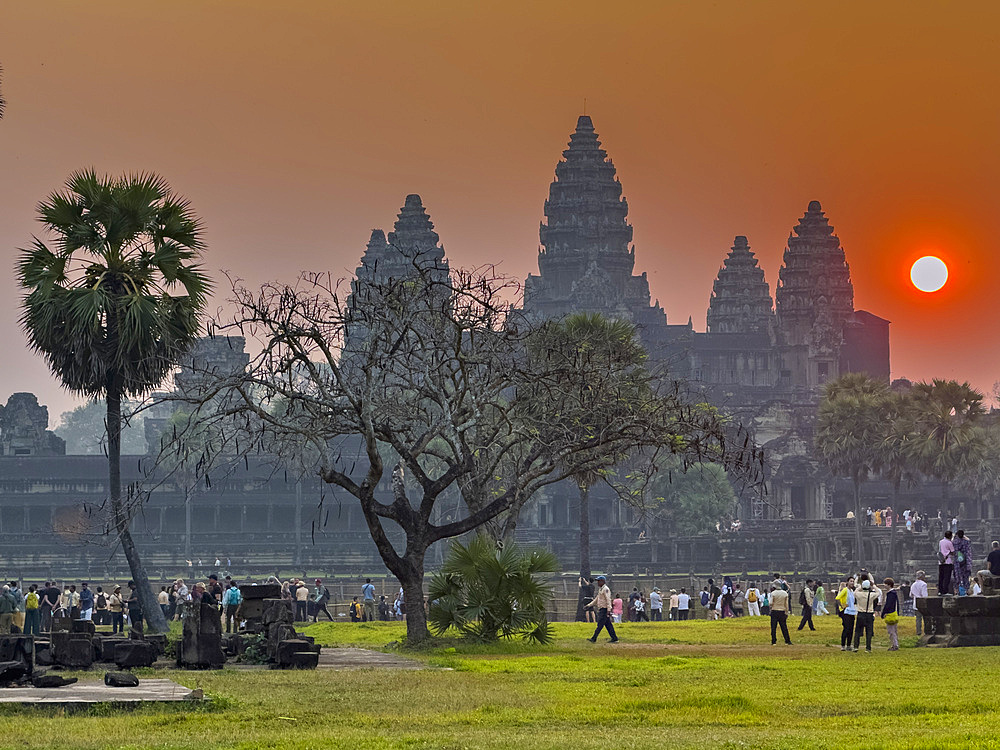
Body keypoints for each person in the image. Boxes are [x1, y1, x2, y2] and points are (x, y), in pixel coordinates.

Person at [586, 575, 618, 643]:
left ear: (602, 581)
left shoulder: (605, 589)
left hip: (604, 610)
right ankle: (614, 638)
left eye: (598, 581)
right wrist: (589, 605)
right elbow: (596, 599)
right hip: (602, 609)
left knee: (600, 625)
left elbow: (608, 600)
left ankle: (594, 638)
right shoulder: (601, 589)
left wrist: (609, 610)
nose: (597, 583)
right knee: (608, 625)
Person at [853, 579, 881, 653]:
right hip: (869, 613)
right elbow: (878, 592)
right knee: (869, 632)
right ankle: (868, 648)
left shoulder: (858, 594)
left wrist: (860, 586)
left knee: (857, 631)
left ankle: (856, 646)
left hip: (860, 613)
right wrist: (873, 585)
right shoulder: (871, 595)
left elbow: (855, 591)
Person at [837, 578, 857, 651]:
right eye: (851, 581)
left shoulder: (852, 591)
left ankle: (848, 645)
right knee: (846, 628)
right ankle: (843, 645)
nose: (852, 583)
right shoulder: (845, 590)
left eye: (853, 581)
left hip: (852, 611)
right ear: (847, 582)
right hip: (845, 611)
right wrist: (842, 606)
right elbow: (838, 598)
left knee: (851, 629)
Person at [881, 578, 901, 651]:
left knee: (891, 631)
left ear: (889, 585)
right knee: (894, 631)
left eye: (885, 584)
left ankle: (894, 645)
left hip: (890, 614)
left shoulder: (891, 594)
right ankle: (894, 644)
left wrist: (884, 613)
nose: (884, 585)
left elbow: (888, 605)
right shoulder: (894, 593)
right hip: (894, 613)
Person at [952, 530, 973, 594]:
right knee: (965, 576)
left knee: (957, 576)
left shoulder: (954, 542)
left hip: (957, 562)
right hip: (965, 561)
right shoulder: (966, 541)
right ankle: (967, 590)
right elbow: (968, 552)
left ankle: (957, 590)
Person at [910, 571, 928, 636]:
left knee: (918, 619)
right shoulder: (923, 584)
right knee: (926, 618)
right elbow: (924, 595)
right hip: (922, 603)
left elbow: (911, 595)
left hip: (915, 603)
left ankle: (918, 632)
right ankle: (927, 631)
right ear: (922, 576)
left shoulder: (913, 584)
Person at [938, 530, 955, 595]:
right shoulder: (949, 543)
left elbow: (940, 550)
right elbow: (953, 551)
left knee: (941, 576)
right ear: (950, 536)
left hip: (941, 561)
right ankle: (945, 591)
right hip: (948, 561)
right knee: (947, 577)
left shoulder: (941, 542)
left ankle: (940, 591)